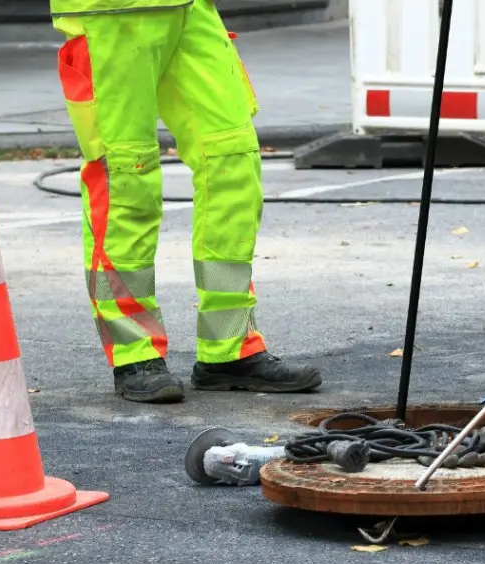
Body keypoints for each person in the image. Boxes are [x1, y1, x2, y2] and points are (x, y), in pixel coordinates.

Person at [49, 0, 322, 402]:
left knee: (233, 160)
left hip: (189, 8)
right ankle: (134, 351)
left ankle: (228, 348)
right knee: (126, 176)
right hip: (110, 16)